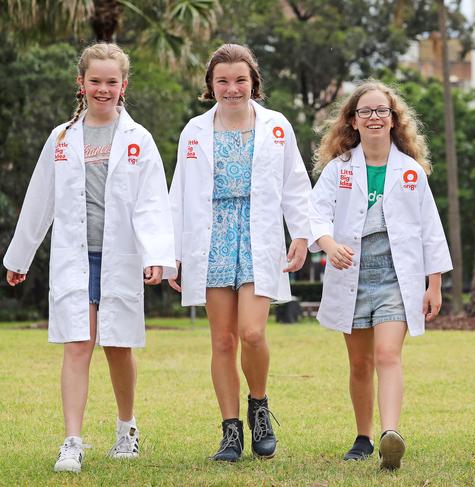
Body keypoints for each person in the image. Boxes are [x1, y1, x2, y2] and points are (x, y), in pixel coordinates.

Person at [3, 43, 176, 473]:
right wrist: (19, 257)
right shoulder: (61, 139)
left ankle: (126, 429)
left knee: (117, 346)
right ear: (80, 83)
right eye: (95, 81)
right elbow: (39, 199)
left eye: (111, 82)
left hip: (120, 257)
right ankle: (72, 442)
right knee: (78, 344)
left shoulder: (139, 140)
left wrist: (157, 254)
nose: (103, 89)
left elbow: (153, 201)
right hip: (74, 258)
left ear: (124, 86)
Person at [166, 44, 311, 462]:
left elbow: (296, 185)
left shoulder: (277, 126)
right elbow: (181, 193)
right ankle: (231, 429)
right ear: (211, 86)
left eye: (240, 80)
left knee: (252, 333)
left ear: (254, 83)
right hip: (211, 236)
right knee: (224, 339)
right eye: (223, 81)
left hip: (257, 234)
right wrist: (173, 251)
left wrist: (300, 234)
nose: (232, 88)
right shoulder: (194, 131)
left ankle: (259, 406)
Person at [309, 80, 452, 470]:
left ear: (393, 120)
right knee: (360, 363)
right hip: (350, 271)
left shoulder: (410, 172)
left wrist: (434, 283)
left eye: (382, 111)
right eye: (365, 112)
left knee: (388, 354)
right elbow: (315, 214)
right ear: (353, 121)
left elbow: (430, 229)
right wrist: (328, 243)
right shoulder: (339, 170)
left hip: (395, 275)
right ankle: (363, 436)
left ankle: (391, 434)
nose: (374, 117)